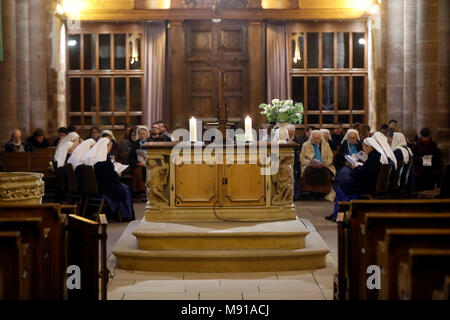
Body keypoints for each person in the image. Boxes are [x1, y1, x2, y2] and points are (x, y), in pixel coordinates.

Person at [326, 137, 385, 221]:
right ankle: (338, 215)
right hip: (369, 183)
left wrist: (353, 170)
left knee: (341, 189)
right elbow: (366, 171)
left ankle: (342, 215)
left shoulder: (373, 157)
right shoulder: (375, 156)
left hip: (367, 186)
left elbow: (362, 174)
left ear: (369, 147)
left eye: (364, 147)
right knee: (346, 186)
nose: (363, 150)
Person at [84, 137, 135, 222]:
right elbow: (112, 177)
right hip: (105, 187)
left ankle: (118, 214)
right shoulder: (104, 159)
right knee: (125, 189)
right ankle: (126, 216)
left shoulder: (92, 157)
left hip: (97, 186)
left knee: (123, 187)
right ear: (106, 146)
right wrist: (117, 175)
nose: (110, 148)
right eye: (109, 146)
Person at [300, 130, 336, 201]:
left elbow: (330, 157)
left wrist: (324, 163)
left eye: (318, 138)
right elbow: (302, 159)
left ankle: (321, 193)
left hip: (324, 165)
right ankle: (312, 193)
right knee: (311, 170)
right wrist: (310, 163)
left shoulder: (326, 145)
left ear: (321, 138)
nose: (316, 140)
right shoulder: (305, 145)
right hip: (309, 166)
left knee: (322, 170)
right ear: (311, 138)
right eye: (314, 138)